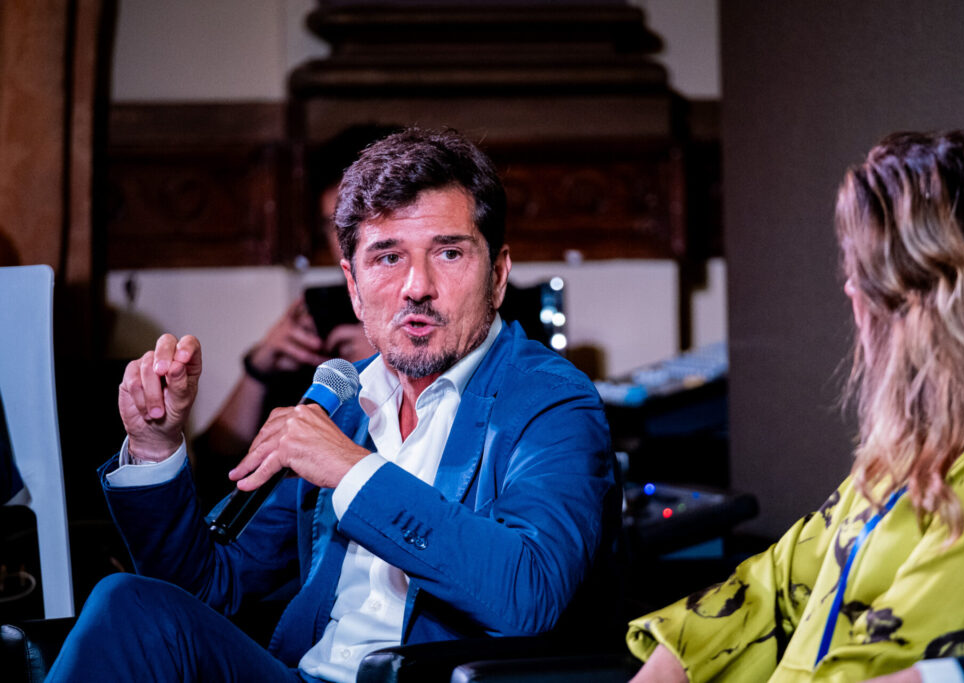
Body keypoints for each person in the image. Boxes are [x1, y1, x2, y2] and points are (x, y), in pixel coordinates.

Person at [47, 128, 620, 682]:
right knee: (129, 604)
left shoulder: (552, 400)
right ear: (353, 285)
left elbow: (529, 596)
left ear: (497, 275)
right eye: (387, 257)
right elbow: (209, 588)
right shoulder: (345, 396)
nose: (416, 286)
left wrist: (351, 469)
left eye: (449, 253)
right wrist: (154, 448)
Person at [626, 130, 964, 682]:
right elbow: (772, 586)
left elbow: (885, 666)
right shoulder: (906, 456)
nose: (849, 291)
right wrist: (665, 670)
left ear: (924, 305)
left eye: (862, 273)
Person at [191, 128, 387, 510]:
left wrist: (385, 362)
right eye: (332, 224)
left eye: (356, 220)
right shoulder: (326, 309)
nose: (344, 240)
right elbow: (218, 468)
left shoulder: (447, 308)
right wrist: (258, 370)